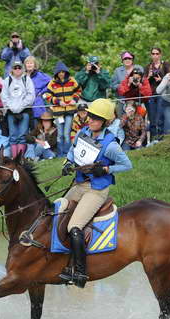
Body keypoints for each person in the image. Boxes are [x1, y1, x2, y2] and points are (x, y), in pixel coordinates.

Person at [59, 98, 133, 288]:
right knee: (57, 213)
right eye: (90, 116)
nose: (90, 120)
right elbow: (72, 151)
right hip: (79, 185)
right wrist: (67, 163)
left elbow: (127, 165)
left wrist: (107, 170)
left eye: (95, 118)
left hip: (96, 190)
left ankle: (81, 273)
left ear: (105, 122)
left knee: (74, 227)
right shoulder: (83, 133)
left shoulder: (110, 145)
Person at [44, 61, 81, 156]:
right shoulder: (52, 83)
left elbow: (79, 90)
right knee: (59, 135)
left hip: (69, 111)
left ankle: (67, 153)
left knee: (66, 133)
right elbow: (47, 95)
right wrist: (58, 101)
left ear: (66, 72)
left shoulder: (72, 80)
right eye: (59, 72)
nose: (61, 74)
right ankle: (60, 154)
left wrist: (75, 99)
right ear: (56, 73)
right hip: (58, 112)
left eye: (63, 72)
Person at [0, 60, 35, 158]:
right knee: (13, 136)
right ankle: (15, 158)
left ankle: (20, 159)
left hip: (24, 112)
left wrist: (20, 107)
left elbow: (31, 96)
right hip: (11, 113)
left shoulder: (27, 79)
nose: (17, 69)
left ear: (22, 69)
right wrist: (12, 107)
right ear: (12, 69)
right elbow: (4, 96)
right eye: (15, 68)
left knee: (22, 136)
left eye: (19, 67)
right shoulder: (7, 80)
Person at [143, 47, 170, 138]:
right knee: (152, 119)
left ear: (160, 54)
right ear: (151, 55)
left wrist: (161, 79)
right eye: (153, 54)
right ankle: (153, 140)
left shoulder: (165, 65)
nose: (155, 55)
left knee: (160, 119)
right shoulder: (148, 67)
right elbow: (142, 83)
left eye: (157, 53)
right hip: (151, 95)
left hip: (162, 94)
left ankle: (161, 140)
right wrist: (149, 76)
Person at [24, 56, 51, 125]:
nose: (29, 65)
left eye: (31, 63)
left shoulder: (40, 75)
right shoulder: (22, 76)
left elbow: (51, 83)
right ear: (25, 65)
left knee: (36, 127)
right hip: (24, 105)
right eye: (27, 63)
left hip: (36, 104)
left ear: (35, 65)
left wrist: (42, 92)